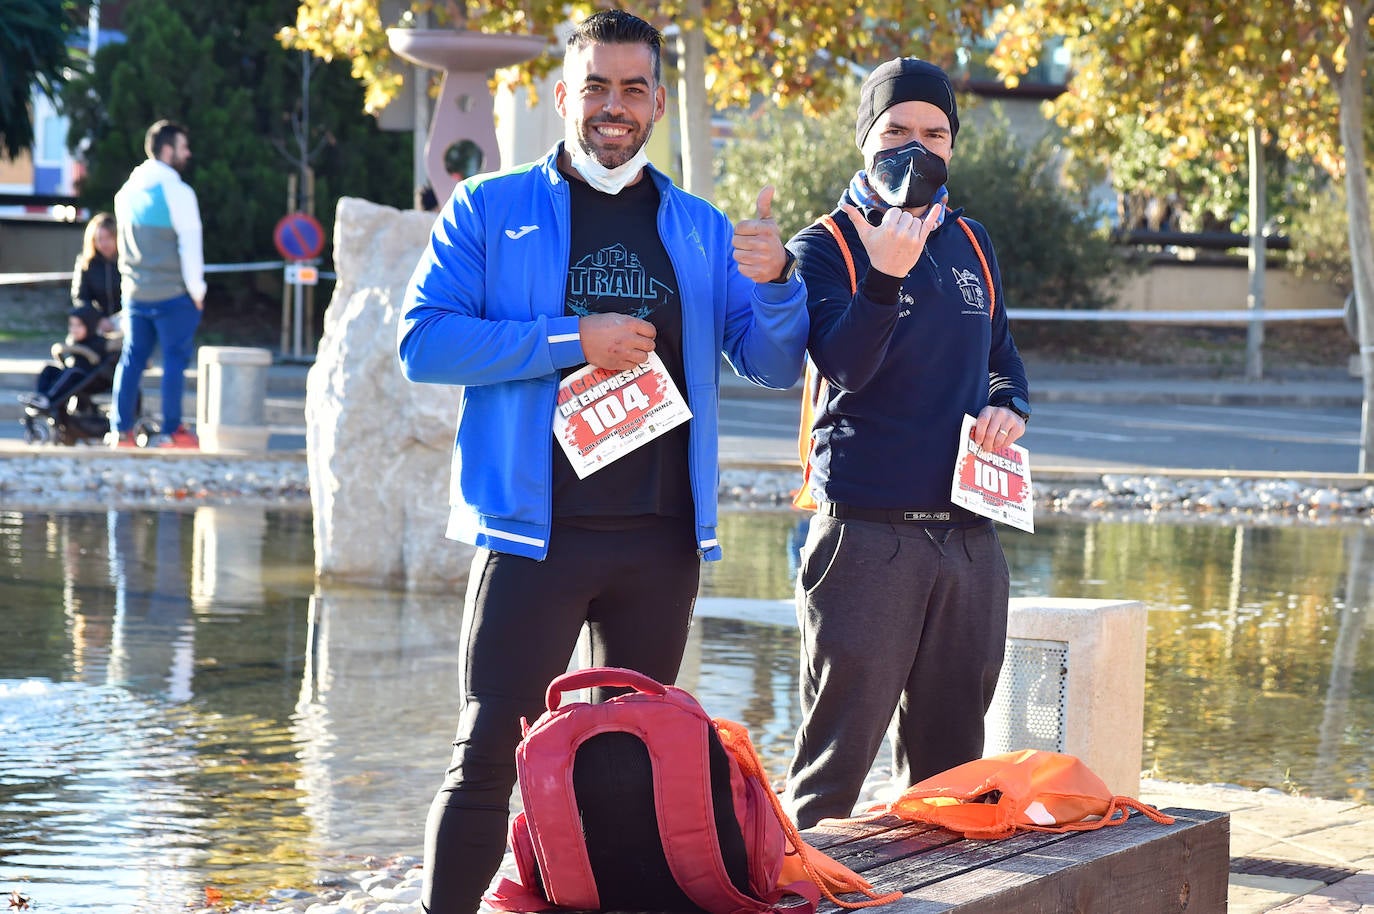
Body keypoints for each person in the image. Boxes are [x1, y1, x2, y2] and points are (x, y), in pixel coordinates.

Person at [396, 10, 808, 913]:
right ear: (562, 96)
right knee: (485, 759)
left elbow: (773, 364)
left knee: (635, 770)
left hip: (659, 545)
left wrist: (778, 286)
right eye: (595, 86)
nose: (612, 106)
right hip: (534, 536)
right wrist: (566, 339)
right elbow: (423, 345)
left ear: (658, 101)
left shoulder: (698, 227)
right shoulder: (489, 208)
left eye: (631, 88)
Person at [782, 57, 1031, 830]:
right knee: (835, 768)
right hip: (867, 536)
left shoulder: (973, 241)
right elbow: (845, 365)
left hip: (969, 534)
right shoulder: (824, 246)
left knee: (954, 776)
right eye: (896, 131)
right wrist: (885, 277)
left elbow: (1004, 360)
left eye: (934, 132)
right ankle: (802, 889)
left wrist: (1008, 408)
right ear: (866, 140)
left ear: (952, 145)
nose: (916, 148)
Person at [108, 119, 206, 449]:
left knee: (131, 360)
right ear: (167, 150)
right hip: (172, 294)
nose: (188, 153)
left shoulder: (126, 193)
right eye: (182, 147)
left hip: (136, 294)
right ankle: (172, 430)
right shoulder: (178, 193)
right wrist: (197, 291)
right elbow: (190, 246)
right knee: (174, 363)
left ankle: (120, 432)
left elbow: (123, 247)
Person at [18, 304, 109, 412]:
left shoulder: (98, 343)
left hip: (90, 380)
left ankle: (48, 398)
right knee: (49, 369)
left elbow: (96, 359)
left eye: (79, 325)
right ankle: (41, 395)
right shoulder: (73, 341)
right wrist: (80, 350)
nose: (74, 329)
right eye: (72, 325)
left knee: (72, 372)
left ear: (90, 325)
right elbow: (58, 349)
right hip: (72, 375)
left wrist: (84, 351)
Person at [71, 212, 122, 335]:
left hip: (124, 318)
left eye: (108, 238)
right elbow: (80, 298)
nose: (104, 244)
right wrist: (98, 318)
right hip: (97, 320)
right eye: (99, 239)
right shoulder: (86, 262)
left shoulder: (127, 260)